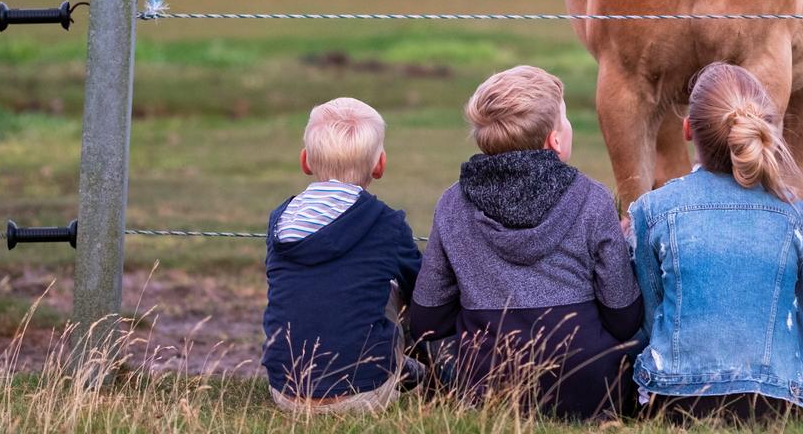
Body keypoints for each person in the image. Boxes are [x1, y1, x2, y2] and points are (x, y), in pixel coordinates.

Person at [410, 66, 641, 419]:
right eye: (564, 118)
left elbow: (427, 318)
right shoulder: (592, 200)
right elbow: (624, 316)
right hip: (590, 387)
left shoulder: (453, 204)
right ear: (555, 140)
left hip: (486, 390)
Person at [628, 63, 803, 420]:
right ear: (764, 131)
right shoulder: (795, 215)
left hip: (675, 397)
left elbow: (651, 317)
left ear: (688, 130)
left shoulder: (652, 211)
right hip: (777, 397)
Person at [262, 97, 424, 414]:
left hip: (285, 390)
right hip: (362, 393)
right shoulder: (387, 223)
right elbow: (421, 288)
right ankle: (405, 369)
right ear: (380, 164)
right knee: (394, 289)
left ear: (305, 160)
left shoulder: (280, 219)